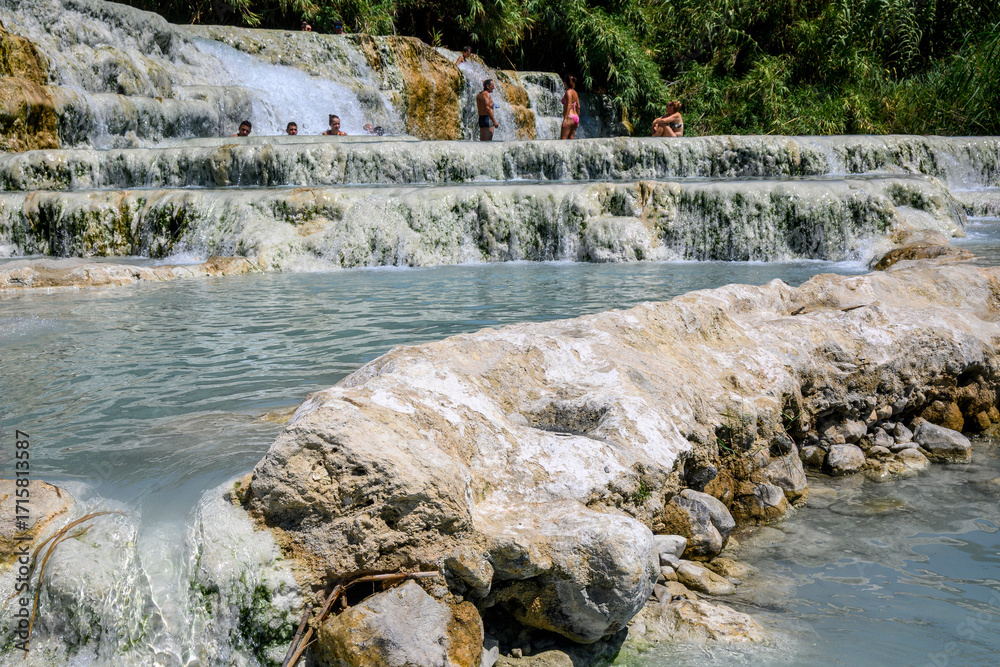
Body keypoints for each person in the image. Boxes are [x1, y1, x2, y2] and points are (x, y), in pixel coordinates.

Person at [560, 75, 580, 140]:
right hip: (575, 118)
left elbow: (569, 105)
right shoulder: (575, 93)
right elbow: (578, 107)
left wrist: (565, 118)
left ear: (565, 83)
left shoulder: (568, 92)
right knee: (571, 142)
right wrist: (578, 119)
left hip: (569, 117)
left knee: (563, 140)